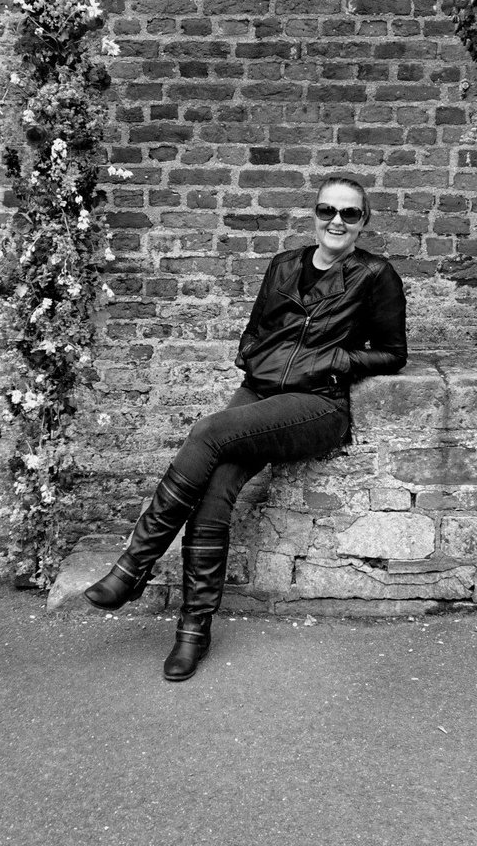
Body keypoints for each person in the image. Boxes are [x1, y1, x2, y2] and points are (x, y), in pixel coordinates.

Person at [84, 176, 407, 680]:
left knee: (208, 431)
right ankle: (193, 630)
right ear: (314, 215)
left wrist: (331, 360)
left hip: (317, 403)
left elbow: (393, 352)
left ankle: (132, 567)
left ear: (364, 221)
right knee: (215, 488)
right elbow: (255, 329)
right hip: (260, 392)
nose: (336, 221)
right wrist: (257, 357)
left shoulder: (374, 274)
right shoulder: (283, 266)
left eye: (349, 213)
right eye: (327, 211)